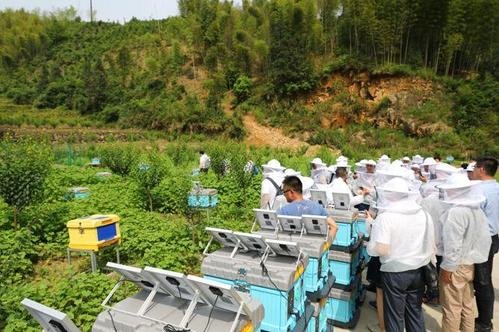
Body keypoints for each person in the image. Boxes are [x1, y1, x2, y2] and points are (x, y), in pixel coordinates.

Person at [367, 177, 433, 332]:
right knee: (415, 312)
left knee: (394, 316)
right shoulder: (423, 214)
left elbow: (380, 250)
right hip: (419, 270)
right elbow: (431, 243)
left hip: (395, 273)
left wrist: (370, 228)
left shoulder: (386, 217)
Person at [437, 173, 491, 332]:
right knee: (467, 305)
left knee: (451, 307)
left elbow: (453, 244)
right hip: (469, 264)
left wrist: (448, 267)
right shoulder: (475, 209)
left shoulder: (457, 212)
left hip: (456, 266)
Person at [471, 156, 499, 332]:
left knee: (482, 280)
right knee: (483, 276)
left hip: (482, 238)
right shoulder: (497, 188)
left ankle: (484, 322)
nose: (472, 171)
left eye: (474, 168)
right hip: (494, 236)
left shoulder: (479, 191)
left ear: (481, 169)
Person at [278, 175, 338, 241]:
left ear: (291, 192)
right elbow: (334, 227)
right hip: (315, 247)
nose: (284, 194)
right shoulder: (317, 206)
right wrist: (326, 245)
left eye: (284, 192)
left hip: (294, 249)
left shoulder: (284, 210)